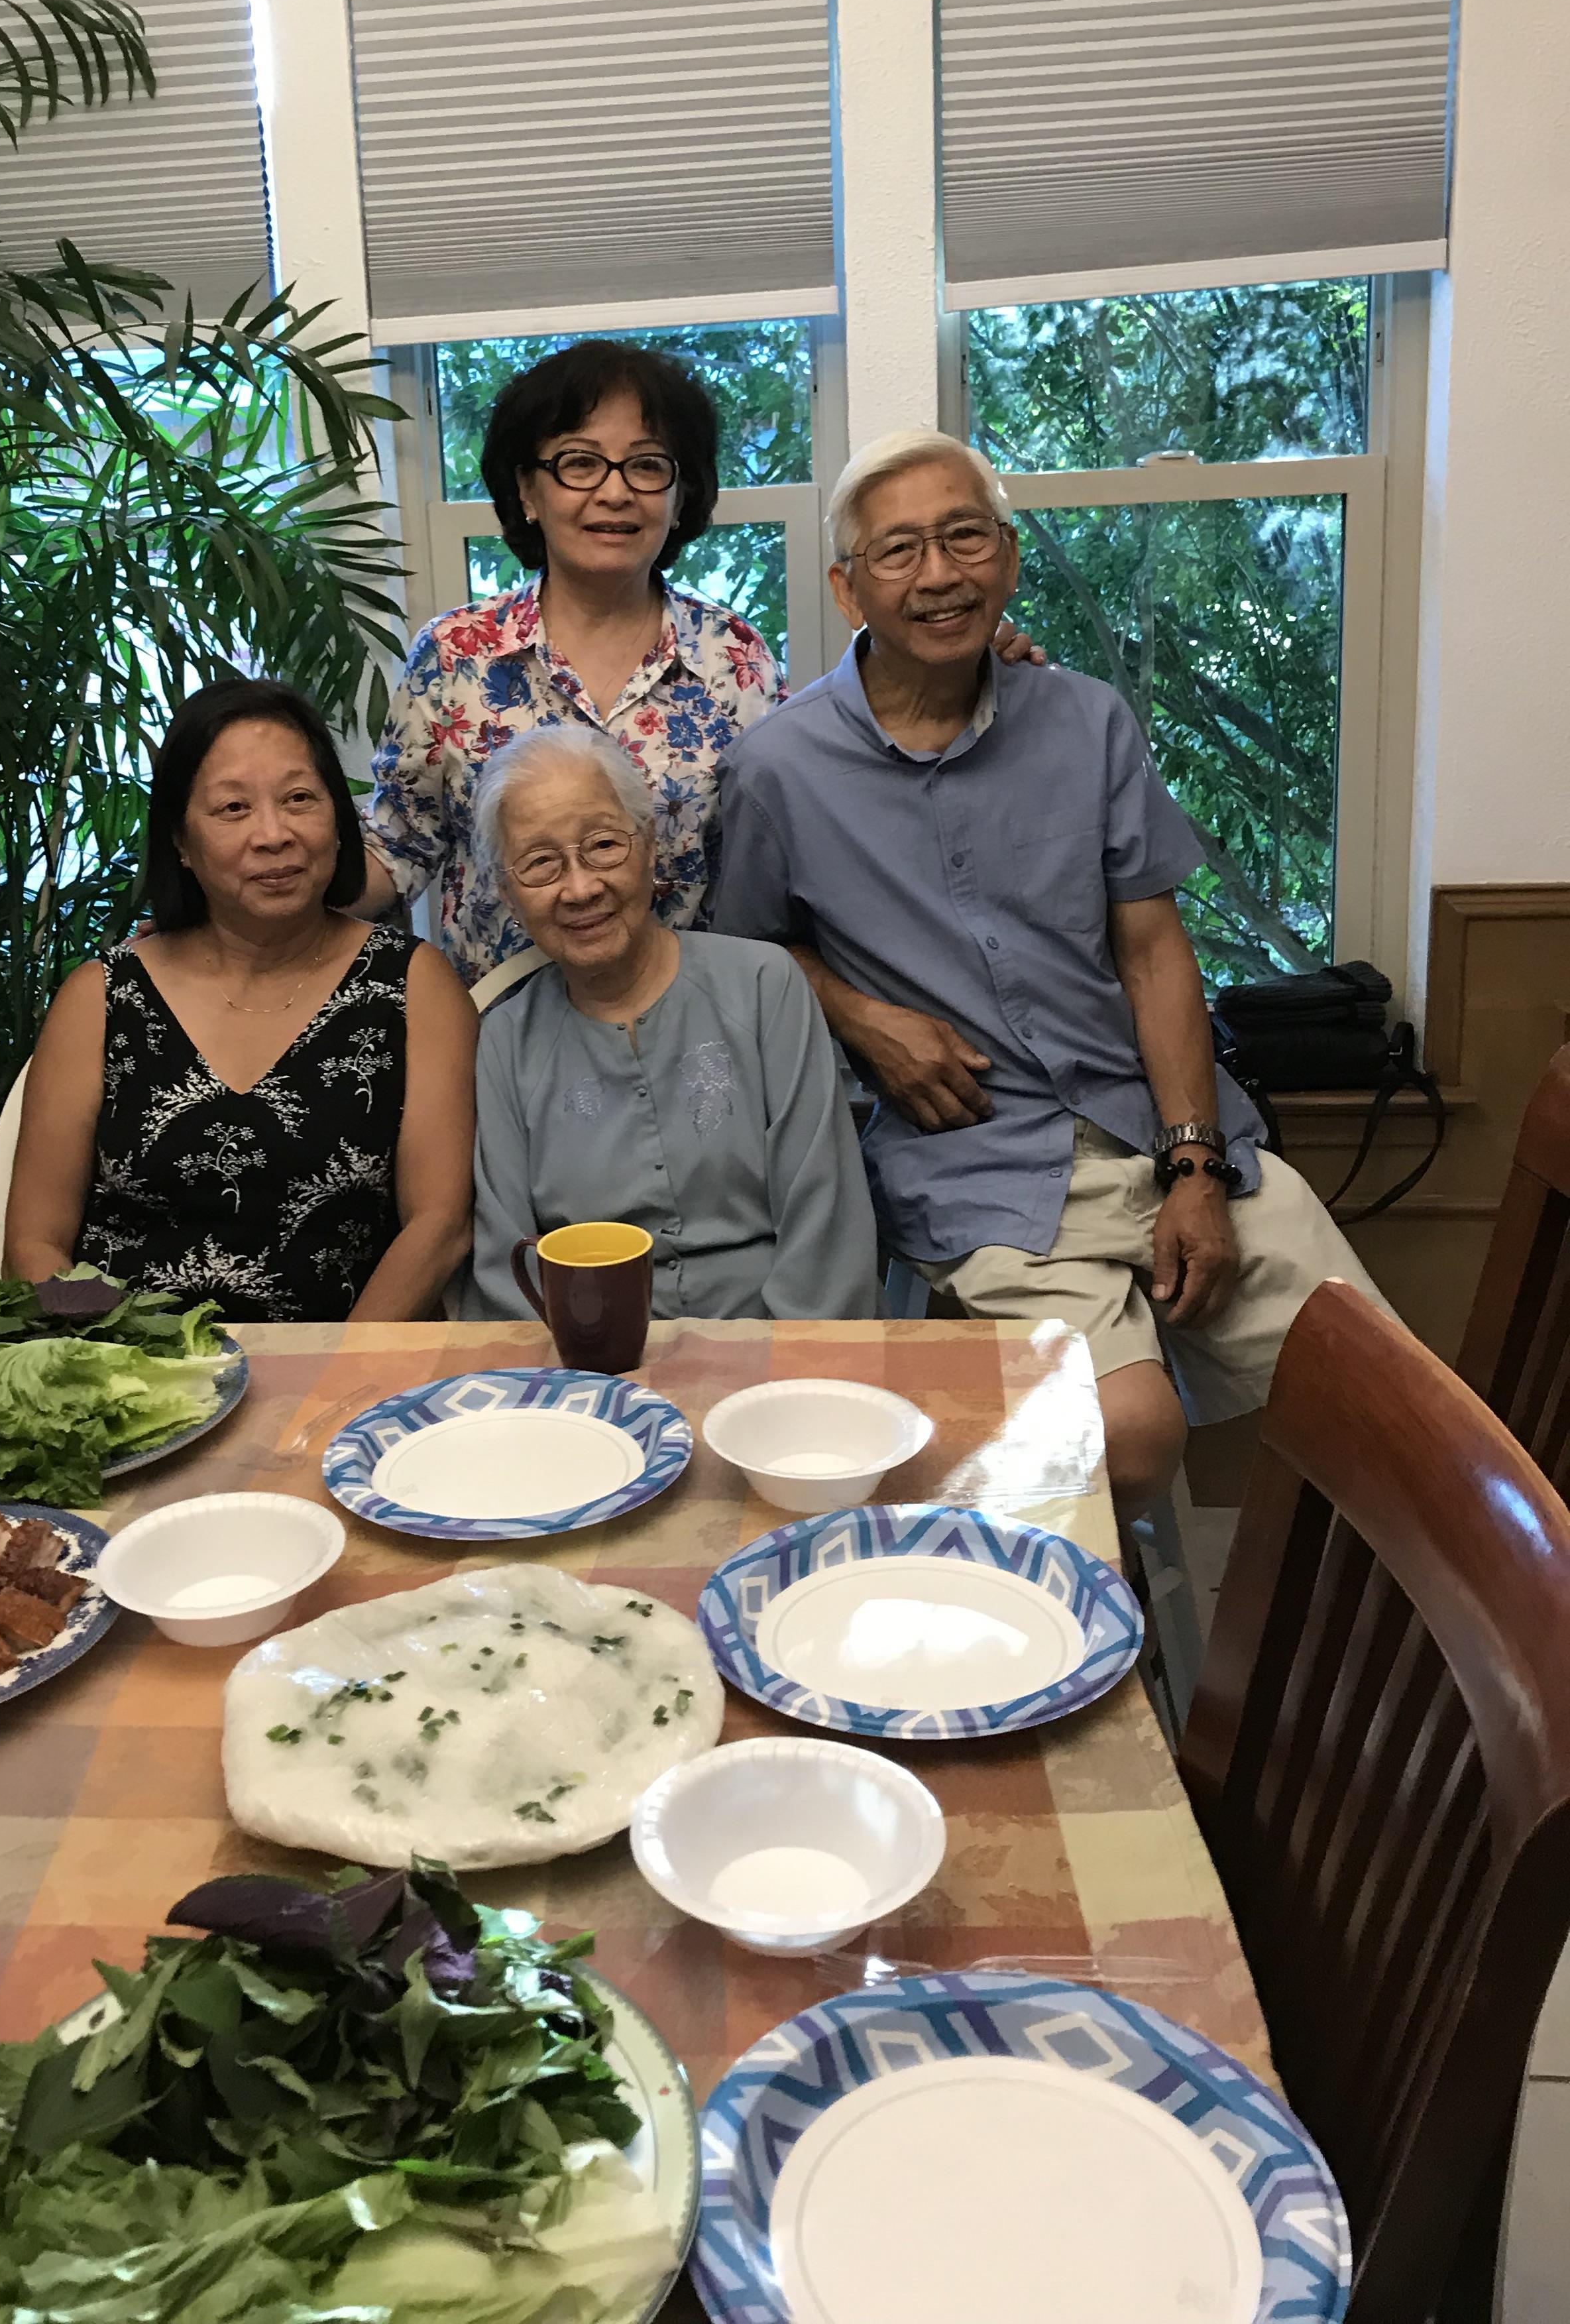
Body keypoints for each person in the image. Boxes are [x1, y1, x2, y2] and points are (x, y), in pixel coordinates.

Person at [712, 427, 1394, 1515]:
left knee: (1384, 1404)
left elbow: (1152, 948)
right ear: (847, 590)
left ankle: (1316, 1621)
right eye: (898, 550)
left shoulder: (1086, 721)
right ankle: (1095, 1603)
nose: (937, 573)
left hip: (1152, 1120)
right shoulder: (778, 769)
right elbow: (748, 952)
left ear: (1010, 558)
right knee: (1130, 1432)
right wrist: (860, 1016)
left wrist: (1193, 1164)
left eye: (963, 537)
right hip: (974, 1156)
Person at [358, 337, 1044, 989]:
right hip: (504, 1040)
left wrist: (959, 667)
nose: (616, 492)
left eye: (647, 465)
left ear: (681, 494)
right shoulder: (456, 655)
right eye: (580, 463)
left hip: (699, 1035)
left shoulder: (734, 657)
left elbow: (810, 831)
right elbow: (398, 850)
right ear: (528, 493)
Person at [5, 677, 477, 1319]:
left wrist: (334, 1368)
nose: (273, 834)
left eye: (300, 798)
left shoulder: (414, 985)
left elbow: (439, 1226)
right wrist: (120, 1361)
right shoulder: (102, 997)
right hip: (123, 1361)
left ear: (341, 821)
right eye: (233, 808)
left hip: (347, 1359)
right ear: (181, 841)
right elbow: (34, 1244)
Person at [463, 725, 878, 1322]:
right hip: (592, 1360)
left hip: (778, 1350)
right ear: (508, 893)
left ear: (650, 846)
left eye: (604, 845)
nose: (580, 888)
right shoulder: (506, 1043)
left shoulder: (764, 986)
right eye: (541, 864)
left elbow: (826, 1225)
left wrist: (785, 1365)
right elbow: (510, 1272)